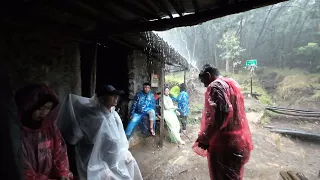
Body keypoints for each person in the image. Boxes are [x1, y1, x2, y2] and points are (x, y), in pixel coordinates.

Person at [57, 84, 143, 180]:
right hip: (97, 161)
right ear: (102, 98)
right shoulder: (93, 117)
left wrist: (123, 151)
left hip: (114, 157)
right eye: (111, 95)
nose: (116, 97)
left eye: (116, 95)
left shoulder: (113, 115)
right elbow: (85, 142)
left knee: (130, 163)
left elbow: (120, 138)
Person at [192, 64, 253, 180]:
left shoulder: (215, 86)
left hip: (224, 144)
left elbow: (222, 114)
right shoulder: (232, 84)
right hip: (239, 140)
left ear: (208, 75)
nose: (205, 85)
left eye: (204, 81)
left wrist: (206, 137)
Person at [14, 83, 73, 180]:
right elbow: (20, 167)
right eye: (40, 108)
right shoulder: (16, 132)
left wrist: (63, 173)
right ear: (28, 106)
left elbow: (60, 155)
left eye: (48, 108)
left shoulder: (51, 130)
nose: (44, 113)